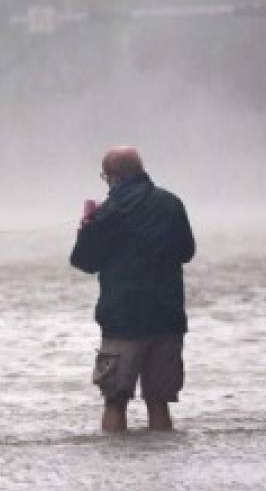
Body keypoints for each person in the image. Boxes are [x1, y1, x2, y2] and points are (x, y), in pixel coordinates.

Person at [70, 147, 195, 433]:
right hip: (167, 317)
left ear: (113, 177)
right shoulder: (171, 204)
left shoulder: (108, 213)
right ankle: (161, 468)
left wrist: (85, 231)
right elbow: (187, 252)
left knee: (115, 401)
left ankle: (117, 474)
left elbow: (83, 262)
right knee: (159, 402)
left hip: (122, 320)